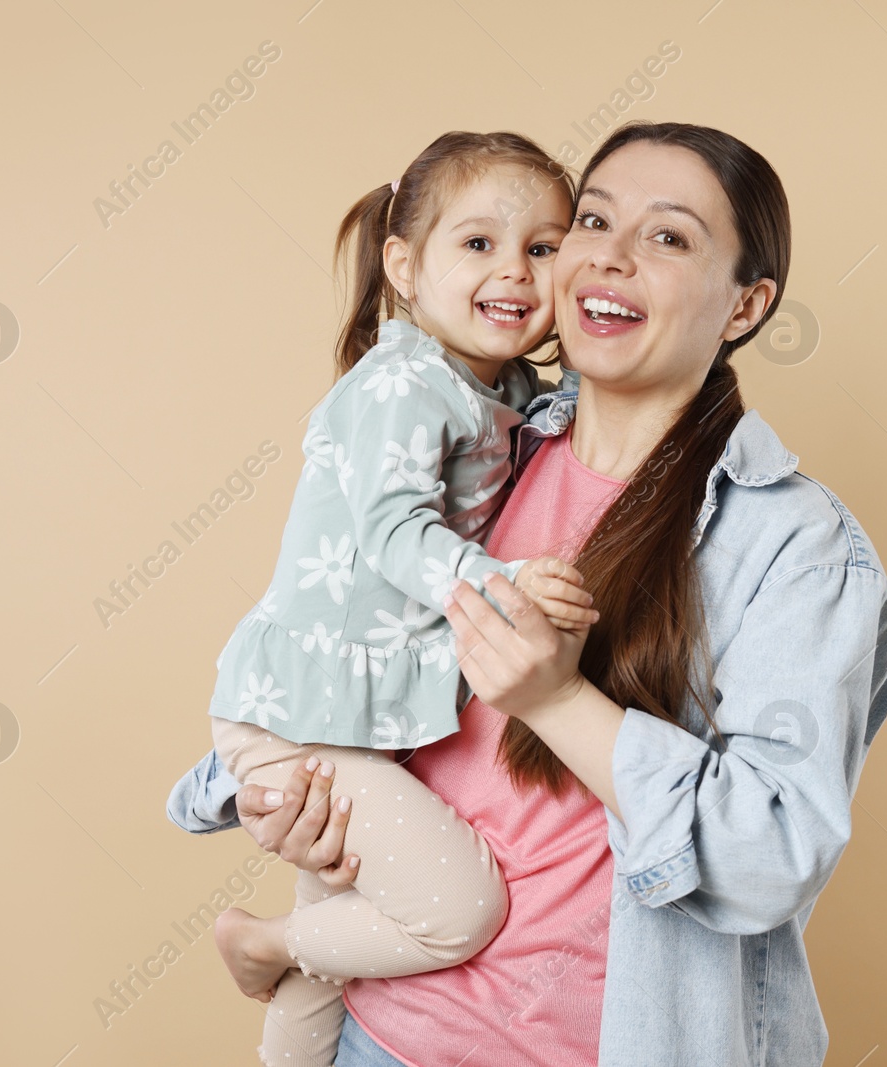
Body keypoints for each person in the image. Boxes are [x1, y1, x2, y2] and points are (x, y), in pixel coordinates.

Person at [169, 121, 887, 1067]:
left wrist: (560, 701)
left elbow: (770, 854)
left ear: (746, 304)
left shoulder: (794, 547)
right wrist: (305, 808)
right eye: (594, 221)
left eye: (669, 236)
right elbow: (367, 663)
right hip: (378, 1035)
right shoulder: (486, 451)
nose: (609, 255)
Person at [200, 130, 600, 1067]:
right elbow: (391, 533)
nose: (515, 271)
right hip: (309, 716)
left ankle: (285, 1000)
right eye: (479, 244)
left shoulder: (493, 384)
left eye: (543, 249)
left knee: (331, 956)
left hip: (354, 715)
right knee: (459, 909)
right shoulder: (403, 385)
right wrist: (502, 586)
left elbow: (563, 410)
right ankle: (255, 943)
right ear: (404, 267)